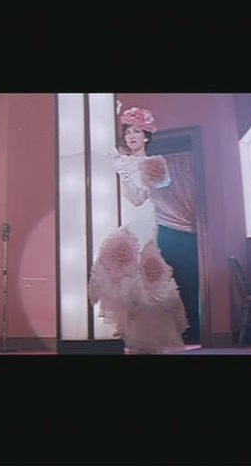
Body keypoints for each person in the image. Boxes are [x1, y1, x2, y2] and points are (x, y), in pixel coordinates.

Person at [88, 107, 188, 354]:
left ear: (146, 136)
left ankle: (149, 340)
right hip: (120, 217)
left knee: (141, 277)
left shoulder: (152, 163)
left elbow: (138, 197)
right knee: (121, 278)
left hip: (141, 220)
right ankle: (135, 338)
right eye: (128, 132)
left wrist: (121, 169)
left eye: (136, 131)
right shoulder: (121, 159)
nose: (131, 136)